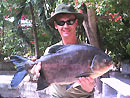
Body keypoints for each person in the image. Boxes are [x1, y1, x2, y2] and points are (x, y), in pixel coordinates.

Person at [31, 3, 95, 98]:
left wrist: (89, 88)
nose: (65, 26)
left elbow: (93, 84)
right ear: (56, 25)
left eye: (70, 21)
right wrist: (35, 72)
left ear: (76, 23)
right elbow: (40, 77)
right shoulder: (51, 51)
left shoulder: (88, 51)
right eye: (61, 23)